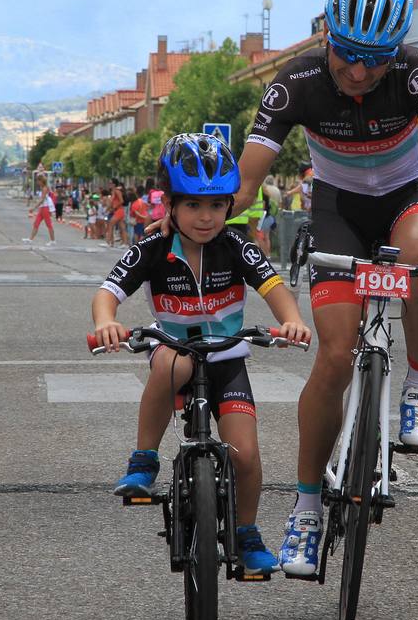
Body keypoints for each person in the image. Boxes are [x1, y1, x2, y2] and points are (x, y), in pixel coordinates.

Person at [228, 0, 418, 576]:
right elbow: (247, 178)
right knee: (335, 356)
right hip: (339, 210)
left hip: (407, 199)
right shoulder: (296, 82)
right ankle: (308, 511)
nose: (363, 71)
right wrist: (196, 218)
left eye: (377, 58)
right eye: (348, 55)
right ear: (326, 40)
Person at [92, 133, 312, 575]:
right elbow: (107, 294)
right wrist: (105, 323)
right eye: (192, 205)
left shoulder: (238, 247)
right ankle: (144, 459)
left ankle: (247, 534)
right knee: (179, 361)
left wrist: (292, 320)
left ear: (230, 206)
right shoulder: (152, 248)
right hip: (173, 349)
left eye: (215, 205)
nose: (205, 217)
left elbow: (275, 291)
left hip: (227, 357)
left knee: (245, 454)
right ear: (170, 204)